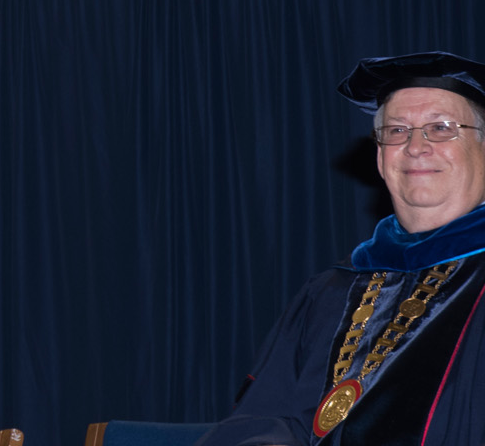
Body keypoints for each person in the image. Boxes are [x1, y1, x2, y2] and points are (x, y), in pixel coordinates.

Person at [198, 51, 485, 445]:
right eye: (397, 131)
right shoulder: (330, 292)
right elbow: (268, 417)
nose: (416, 146)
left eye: (440, 128)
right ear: (381, 159)